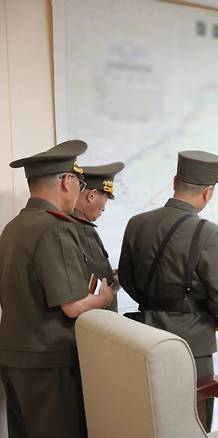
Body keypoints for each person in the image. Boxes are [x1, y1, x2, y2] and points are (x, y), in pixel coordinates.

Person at [0, 140, 115, 438]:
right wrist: (105, 297)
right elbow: (73, 305)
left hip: (15, 357)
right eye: (77, 181)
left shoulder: (13, 228)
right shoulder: (55, 227)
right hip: (51, 362)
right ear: (66, 181)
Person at [118, 150, 218, 431]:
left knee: (151, 418)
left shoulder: (137, 223)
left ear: (174, 182)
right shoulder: (210, 233)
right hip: (192, 343)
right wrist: (214, 323)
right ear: (208, 192)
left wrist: (153, 306)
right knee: (192, 422)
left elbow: (126, 277)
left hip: (145, 335)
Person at [72, 162, 125, 312]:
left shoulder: (70, 225)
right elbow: (89, 293)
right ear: (92, 195)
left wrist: (109, 276)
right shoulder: (82, 229)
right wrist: (114, 287)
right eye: (105, 199)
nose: (104, 208)